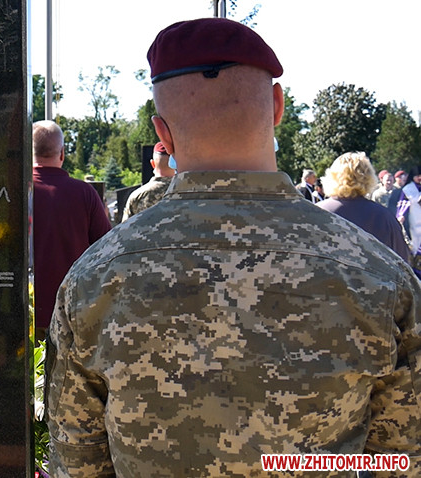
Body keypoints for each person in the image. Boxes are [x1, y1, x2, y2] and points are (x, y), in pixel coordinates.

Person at [46, 18, 421, 477]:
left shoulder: (93, 281)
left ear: (163, 133)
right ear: (277, 106)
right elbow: (404, 458)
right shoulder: (381, 278)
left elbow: (78, 463)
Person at [32, 120, 111, 340]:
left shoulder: (16, 191)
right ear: (62, 153)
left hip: (24, 311)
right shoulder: (85, 194)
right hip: (72, 311)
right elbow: (107, 249)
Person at [317, 153, 410, 262]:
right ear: (369, 178)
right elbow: (403, 263)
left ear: (331, 177)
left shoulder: (316, 212)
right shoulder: (385, 217)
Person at [120, 142, 175, 222]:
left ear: (152, 163)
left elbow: (124, 227)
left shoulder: (137, 196)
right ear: (175, 163)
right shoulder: (185, 191)